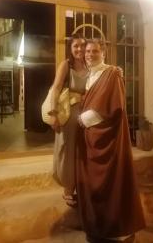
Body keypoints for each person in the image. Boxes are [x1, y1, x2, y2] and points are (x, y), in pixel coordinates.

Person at [76, 39, 146, 242]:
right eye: (88, 51)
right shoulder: (88, 74)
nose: (90, 54)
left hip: (107, 139)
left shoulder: (112, 73)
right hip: (89, 138)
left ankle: (118, 228)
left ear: (103, 53)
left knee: (112, 184)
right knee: (91, 185)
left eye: (95, 51)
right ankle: (96, 226)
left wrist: (82, 120)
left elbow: (114, 106)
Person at [49, 34, 88, 207]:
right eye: (75, 46)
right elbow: (56, 89)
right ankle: (67, 190)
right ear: (70, 49)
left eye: (81, 46)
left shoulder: (90, 64)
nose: (79, 49)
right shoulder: (66, 65)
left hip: (86, 115)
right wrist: (53, 113)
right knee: (68, 152)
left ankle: (81, 187)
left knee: (83, 152)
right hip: (67, 115)